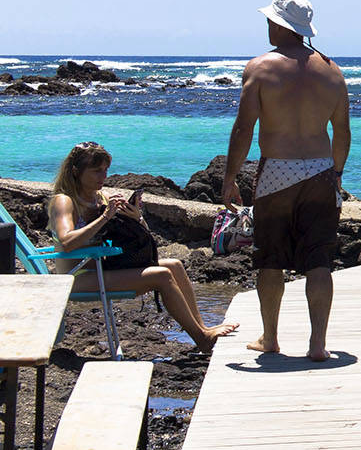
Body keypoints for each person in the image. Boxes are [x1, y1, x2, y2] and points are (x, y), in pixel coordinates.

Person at [224, 0, 349, 362]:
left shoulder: (260, 68)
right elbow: (341, 132)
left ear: (280, 24)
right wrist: (337, 173)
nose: (266, 25)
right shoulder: (332, 70)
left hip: (276, 170)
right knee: (319, 260)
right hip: (320, 170)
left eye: (269, 20)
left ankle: (271, 337)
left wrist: (230, 176)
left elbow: (243, 128)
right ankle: (318, 344)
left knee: (270, 258)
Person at [48, 142, 238, 352]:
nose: (103, 177)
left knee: (174, 265)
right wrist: (105, 217)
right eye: (96, 171)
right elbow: (66, 242)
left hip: (104, 269)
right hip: (78, 276)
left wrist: (136, 218)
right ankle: (202, 338)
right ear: (76, 171)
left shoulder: (99, 198)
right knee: (162, 275)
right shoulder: (65, 201)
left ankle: (202, 328)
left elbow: (133, 235)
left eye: (105, 170)